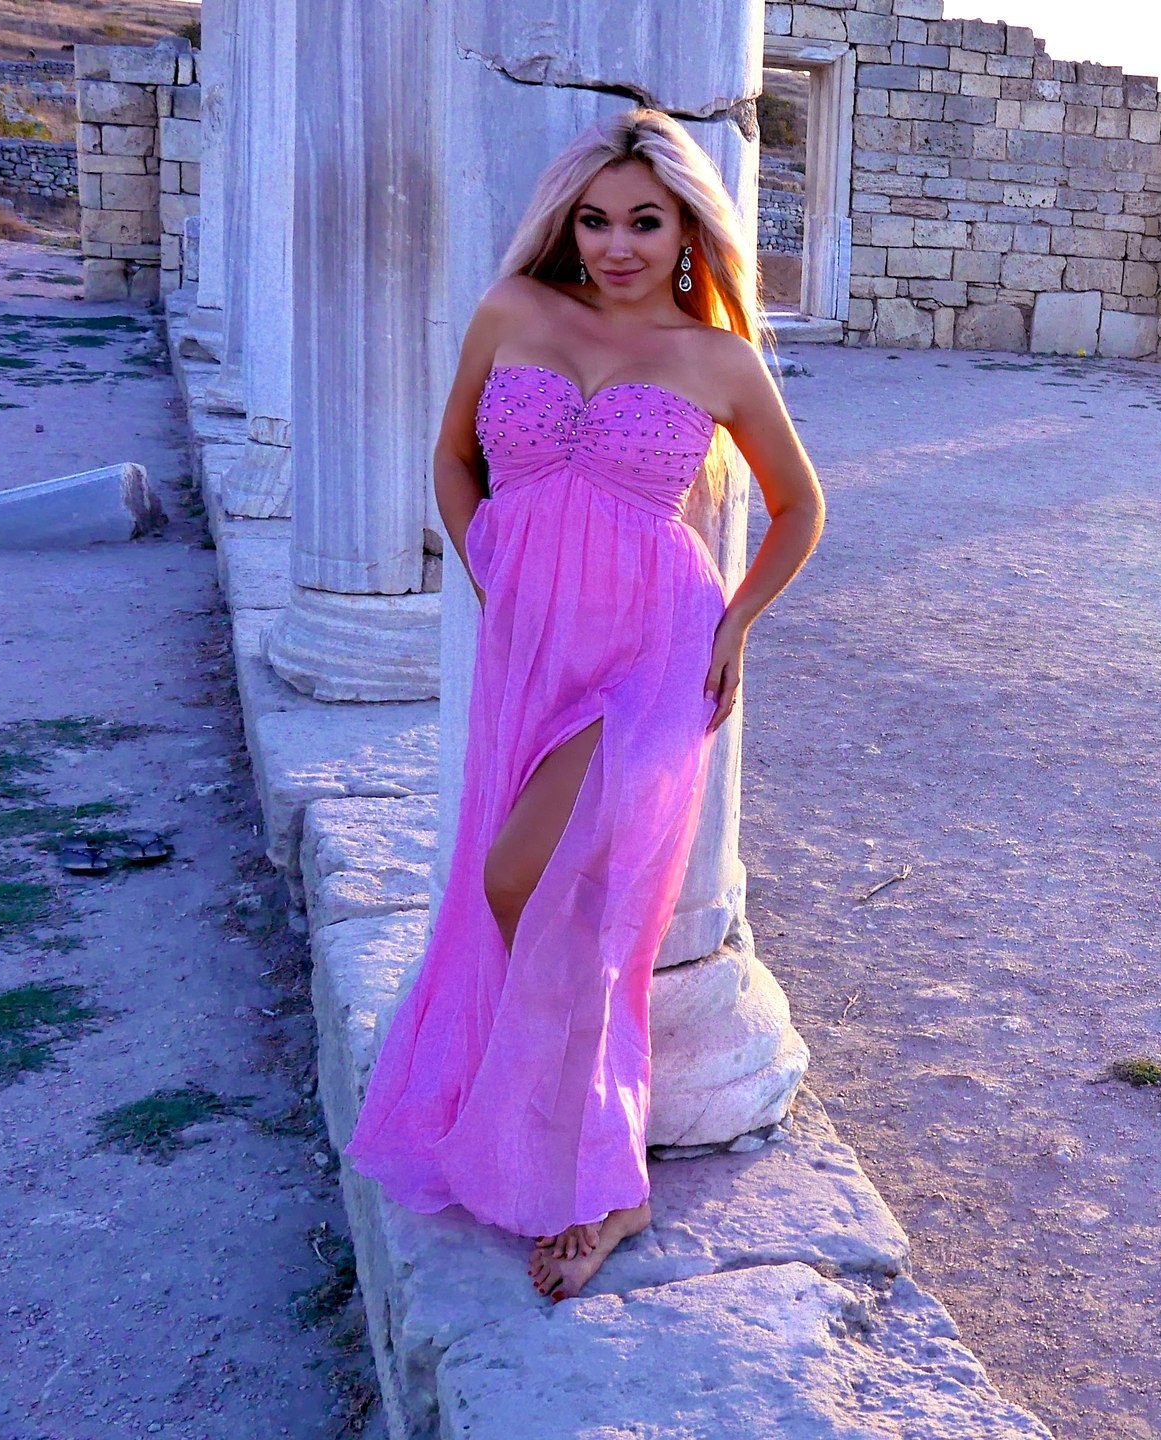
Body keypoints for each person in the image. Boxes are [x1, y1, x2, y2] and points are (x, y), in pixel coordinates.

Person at [342, 109, 824, 1302]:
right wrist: (488, 565)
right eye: (595, 221)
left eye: (645, 223)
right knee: (538, 895)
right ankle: (569, 1149)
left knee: (531, 880)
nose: (617, 245)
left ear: (687, 230)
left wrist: (735, 625)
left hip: (657, 654)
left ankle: (609, 1175)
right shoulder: (514, 310)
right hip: (532, 648)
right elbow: (452, 456)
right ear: (566, 225)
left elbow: (799, 509)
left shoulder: (718, 359)